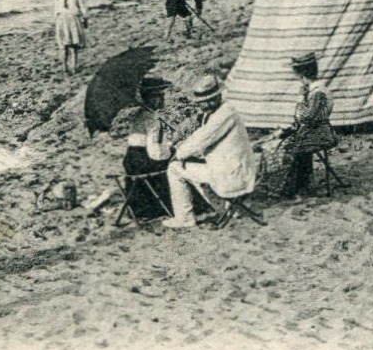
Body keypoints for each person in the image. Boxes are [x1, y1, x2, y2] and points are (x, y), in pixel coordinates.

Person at [163, 74, 258, 229]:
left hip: (233, 176)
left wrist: (178, 154)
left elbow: (202, 139)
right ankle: (230, 208)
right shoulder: (224, 110)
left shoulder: (224, 115)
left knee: (174, 169)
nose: (206, 105)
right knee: (195, 164)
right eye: (202, 102)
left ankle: (184, 218)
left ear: (219, 95)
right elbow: (199, 136)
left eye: (210, 99)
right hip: (238, 170)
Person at [278, 53, 338, 198]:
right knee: (291, 142)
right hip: (314, 131)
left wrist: (300, 100)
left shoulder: (317, 93)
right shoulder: (315, 90)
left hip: (320, 134)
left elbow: (306, 117)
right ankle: (302, 182)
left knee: (288, 147)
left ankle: (296, 186)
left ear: (302, 74)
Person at [119, 78, 175, 223]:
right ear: (151, 99)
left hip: (131, 159)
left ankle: (142, 210)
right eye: (160, 97)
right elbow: (155, 153)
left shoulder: (140, 114)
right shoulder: (152, 120)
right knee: (174, 165)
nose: (163, 100)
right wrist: (170, 151)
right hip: (143, 160)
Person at [54, 0, 88, 74]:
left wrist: (56, 21)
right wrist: (85, 19)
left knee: (64, 45)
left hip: (62, 19)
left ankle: (64, 67)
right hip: (73, 19)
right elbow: (83, 9)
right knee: (74, 45)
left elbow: (56, 10)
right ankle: (74, 67)